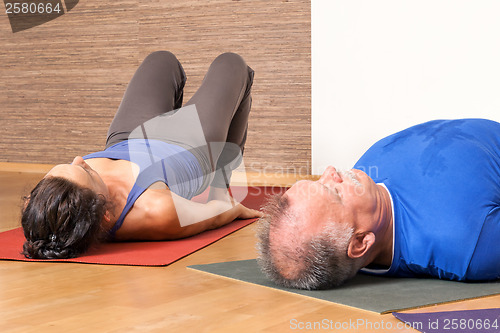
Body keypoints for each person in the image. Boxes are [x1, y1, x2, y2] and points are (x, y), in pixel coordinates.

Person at [22, 51, 262, 259]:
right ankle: (221, 179)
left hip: (127, 138)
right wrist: (232, 205)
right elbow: (215, 215)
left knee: (161, 61)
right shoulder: (155, 211)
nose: (79, 159)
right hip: (188, 148)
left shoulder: (43, 207)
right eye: (86, 171)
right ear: (105, 214)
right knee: (231, 64)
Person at [257, 118, 500, 290]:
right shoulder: (470, 245)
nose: (331, 171)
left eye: (319, 180)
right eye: (336, 193)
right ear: (361, 242)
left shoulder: (368, 166)